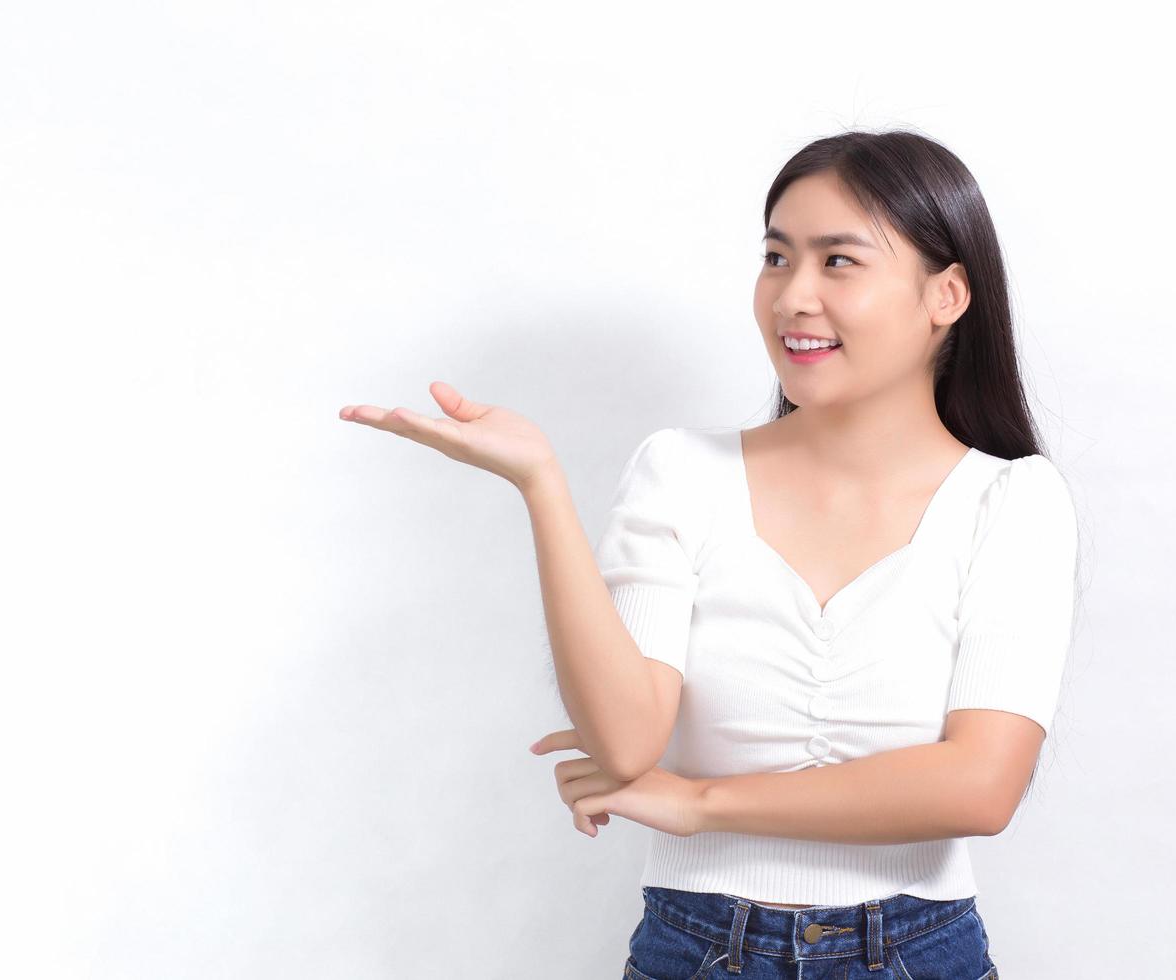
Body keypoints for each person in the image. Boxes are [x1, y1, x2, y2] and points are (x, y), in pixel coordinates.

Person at [339, 129, 1080, 979]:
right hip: (695, 950)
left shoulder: (1011, 500)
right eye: (776, 257)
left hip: (919, 950)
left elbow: (979, 788)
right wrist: (541, 486)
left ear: (946, 293)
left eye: (838, 262)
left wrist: (700, 803)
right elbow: (624, 743)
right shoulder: (681, 472)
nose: (793, 296)